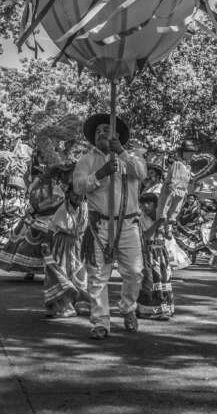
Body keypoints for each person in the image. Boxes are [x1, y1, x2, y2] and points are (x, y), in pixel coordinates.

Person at [73, 112, 148, 340]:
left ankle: (127, 308)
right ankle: (100, 322)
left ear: (116, 135)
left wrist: (122, 153)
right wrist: (100, 174)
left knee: (135, 273)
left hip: (128, 225)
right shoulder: (86, 160)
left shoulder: (132, 156)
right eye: (97, 131)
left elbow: (142, 173)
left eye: (106, 129)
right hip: (99, 226)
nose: (101, 133)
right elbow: (78, 187)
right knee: (97, 277)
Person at [43, 175, 90, 319]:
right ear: (68, 194)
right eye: (75, 194)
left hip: (80, 244)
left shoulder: (86, 208)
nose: (77, 197)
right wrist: (46, 246)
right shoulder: (62, 209)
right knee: (62, 274)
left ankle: (80, 303)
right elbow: (51, 229)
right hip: (62, 245)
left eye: (80, 194)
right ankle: (64, 306)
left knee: (80, 275)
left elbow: (91, 227)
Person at [135, 191, 175, 320]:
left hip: (161, 252)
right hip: (148, 252)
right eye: (143, 204)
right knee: (153, 280)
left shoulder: (162, 217)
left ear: (155, 204)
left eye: (148, 203)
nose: (145, 206)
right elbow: (145, 236)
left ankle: (164, 309)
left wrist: (167, 225)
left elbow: (169, 237)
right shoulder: (141, 218)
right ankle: (150, 311)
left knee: (164, 279)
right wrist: (157, 224)